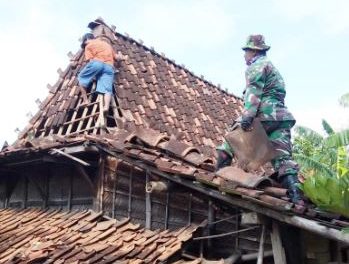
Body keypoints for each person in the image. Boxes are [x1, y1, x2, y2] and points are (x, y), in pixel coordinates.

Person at [217, 34, 303, 205]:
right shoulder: (274, 70)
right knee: (283, 160)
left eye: (246, 51)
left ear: (253, 51)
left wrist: (247, 118)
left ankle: (217, 177)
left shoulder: (257, 66)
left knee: (230, 141)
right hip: (281, 119)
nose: (244, 55)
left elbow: (254, 92)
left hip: (264, 115)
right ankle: (297, 198)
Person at [77, 33, 117, 113]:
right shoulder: (106, 44)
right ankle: (106, 107)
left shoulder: (88, 46)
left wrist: (93, 74)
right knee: (107, 89)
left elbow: (90, 61)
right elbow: (116, 57)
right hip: (109, 67)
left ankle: (85, 101)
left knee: (81, 78)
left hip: (97, 63)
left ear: (87, 39)